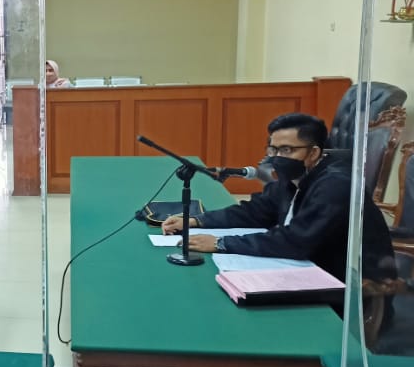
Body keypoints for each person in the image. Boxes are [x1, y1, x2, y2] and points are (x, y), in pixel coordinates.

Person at [161, 112, 396, 285]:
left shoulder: (335, 185)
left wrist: (221, 243)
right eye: (273, 149)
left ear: (313, 152)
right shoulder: (294, 176)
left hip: (349, 289)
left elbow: (296, 241)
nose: (277, 157)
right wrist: (197, 220)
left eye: (287, 150)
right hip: (307, 270)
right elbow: (255, 211)